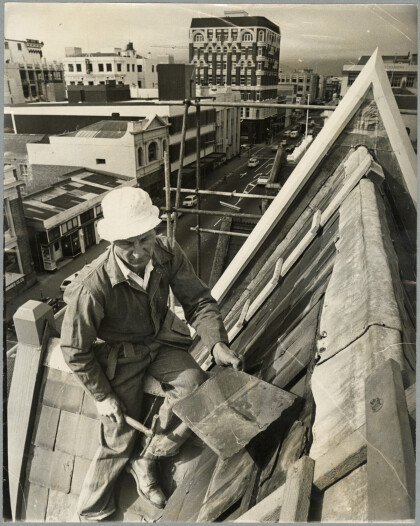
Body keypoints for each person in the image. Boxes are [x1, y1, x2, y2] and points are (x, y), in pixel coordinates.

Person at [60, 187, 242, 521]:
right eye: (127, 244)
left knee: (196, 387)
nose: (138, 252)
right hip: (121, 356)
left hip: (160, 340)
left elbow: (198, 301)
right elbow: (74, 349)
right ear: (112, 242)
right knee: (118, 436)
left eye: (145, 239)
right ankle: (92, 512)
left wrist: (216, 343)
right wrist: (103, 396)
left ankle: (147, 458)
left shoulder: (166, 252)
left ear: (154, 231)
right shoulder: (92, 286)